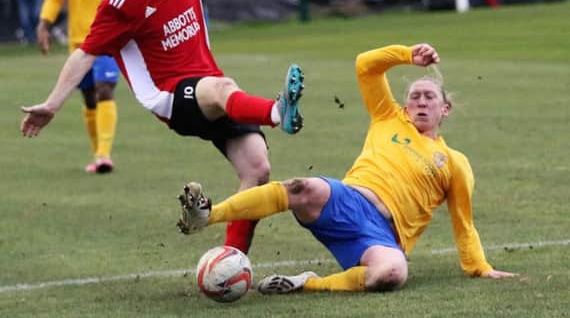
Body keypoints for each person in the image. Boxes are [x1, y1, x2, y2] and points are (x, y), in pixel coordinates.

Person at [20, 0, 305, 254]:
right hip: (169, 97)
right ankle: (277, 112)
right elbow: (85, 53)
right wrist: (52, 103)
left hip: (209, 91)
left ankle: (231, 262)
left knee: (258, 171)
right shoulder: (121, 4)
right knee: (224, 87)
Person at [176, 43, 517, 294]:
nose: (421, 102)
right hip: (346, 200)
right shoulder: (388, 115)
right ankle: (208, 214)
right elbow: (365, 65)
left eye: (429, 97)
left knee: (392, 274)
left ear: (446, 109)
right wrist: (406, 55)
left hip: (381, 237)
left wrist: (479, 267)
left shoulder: (454, 162)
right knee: (302, 187)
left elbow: (463, 222)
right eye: (415, 95)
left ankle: (306, 284)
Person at [35, 0, 131, 174]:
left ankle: (104, 155)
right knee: (89, 97)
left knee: (104, 90)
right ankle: (97, 154)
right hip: (79, 41)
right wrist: (44, 25)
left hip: (110, 40)